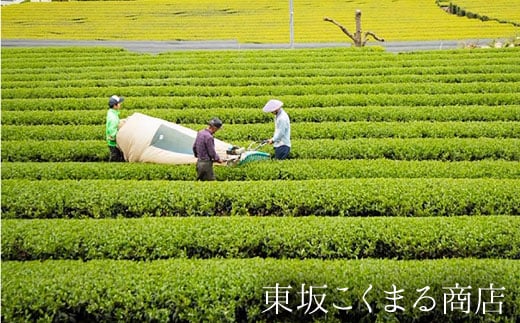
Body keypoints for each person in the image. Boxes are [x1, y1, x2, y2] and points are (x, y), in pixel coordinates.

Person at [106, 95, 126, 162]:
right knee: (115, 158)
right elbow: (112, 132)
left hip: (113, 142)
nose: (120, 104)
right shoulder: (113, 118)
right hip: (113, 143)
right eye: (119, 103)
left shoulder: (112, 113)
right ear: (115, 106)